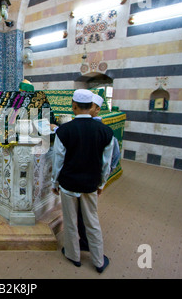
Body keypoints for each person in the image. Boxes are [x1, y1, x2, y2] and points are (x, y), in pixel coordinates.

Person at [51, 89, 115, 273]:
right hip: (90, 185)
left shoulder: (64, 131)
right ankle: (98, 261)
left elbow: (58, 161)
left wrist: (55, 183)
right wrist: (101, 184)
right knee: (92, 222)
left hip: (68, 184)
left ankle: (73, 255)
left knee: (70, 222)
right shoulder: (105, 132)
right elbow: (106, 164)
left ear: (74, 106)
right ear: (93, 106)